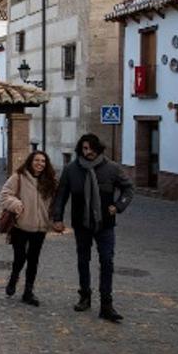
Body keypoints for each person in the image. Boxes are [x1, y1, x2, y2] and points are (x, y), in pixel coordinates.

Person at [51, 133, 134, 322]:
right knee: (83, 260)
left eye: (91, 148)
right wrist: (57, 218)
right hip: (81, 224)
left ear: (98, 149)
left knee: (107, 261)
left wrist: (119, 206)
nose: (87, 152)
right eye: (84, 148)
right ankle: (85, 296)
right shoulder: (71, 169)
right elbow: (61, 195)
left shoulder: (112, 168)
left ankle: (106, 304)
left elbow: (129, 188)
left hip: (105, 224)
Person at [0, 151, 59, 306]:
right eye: (37, 160)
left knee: (33, 260)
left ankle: (28, 292)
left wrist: (54, 219)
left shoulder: (50, 181)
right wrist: (16, 204)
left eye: (43, 161)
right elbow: (4, 195)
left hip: (40, 228)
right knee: (20, 257)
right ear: (30, 162)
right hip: (21, 226)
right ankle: (13, 278)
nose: (40, 164)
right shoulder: (18, 177)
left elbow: (54, 203)